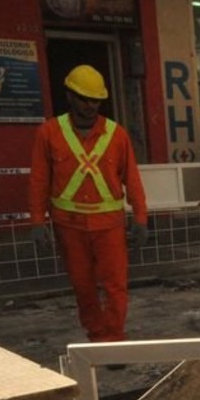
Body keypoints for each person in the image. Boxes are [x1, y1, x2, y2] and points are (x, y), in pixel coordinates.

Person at [28, 64, 147, 345]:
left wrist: (140, 217)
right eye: (84, 99)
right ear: (70, 96)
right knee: (83, 287)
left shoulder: (116, 134)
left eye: (95, 100)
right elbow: (39, 180)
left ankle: (114, 340)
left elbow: (132, 178)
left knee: (115, 286)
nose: (90, 106)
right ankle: (97, 337)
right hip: (69, 226)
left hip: (109, 226)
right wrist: (37, 222)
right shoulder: (49, 133)